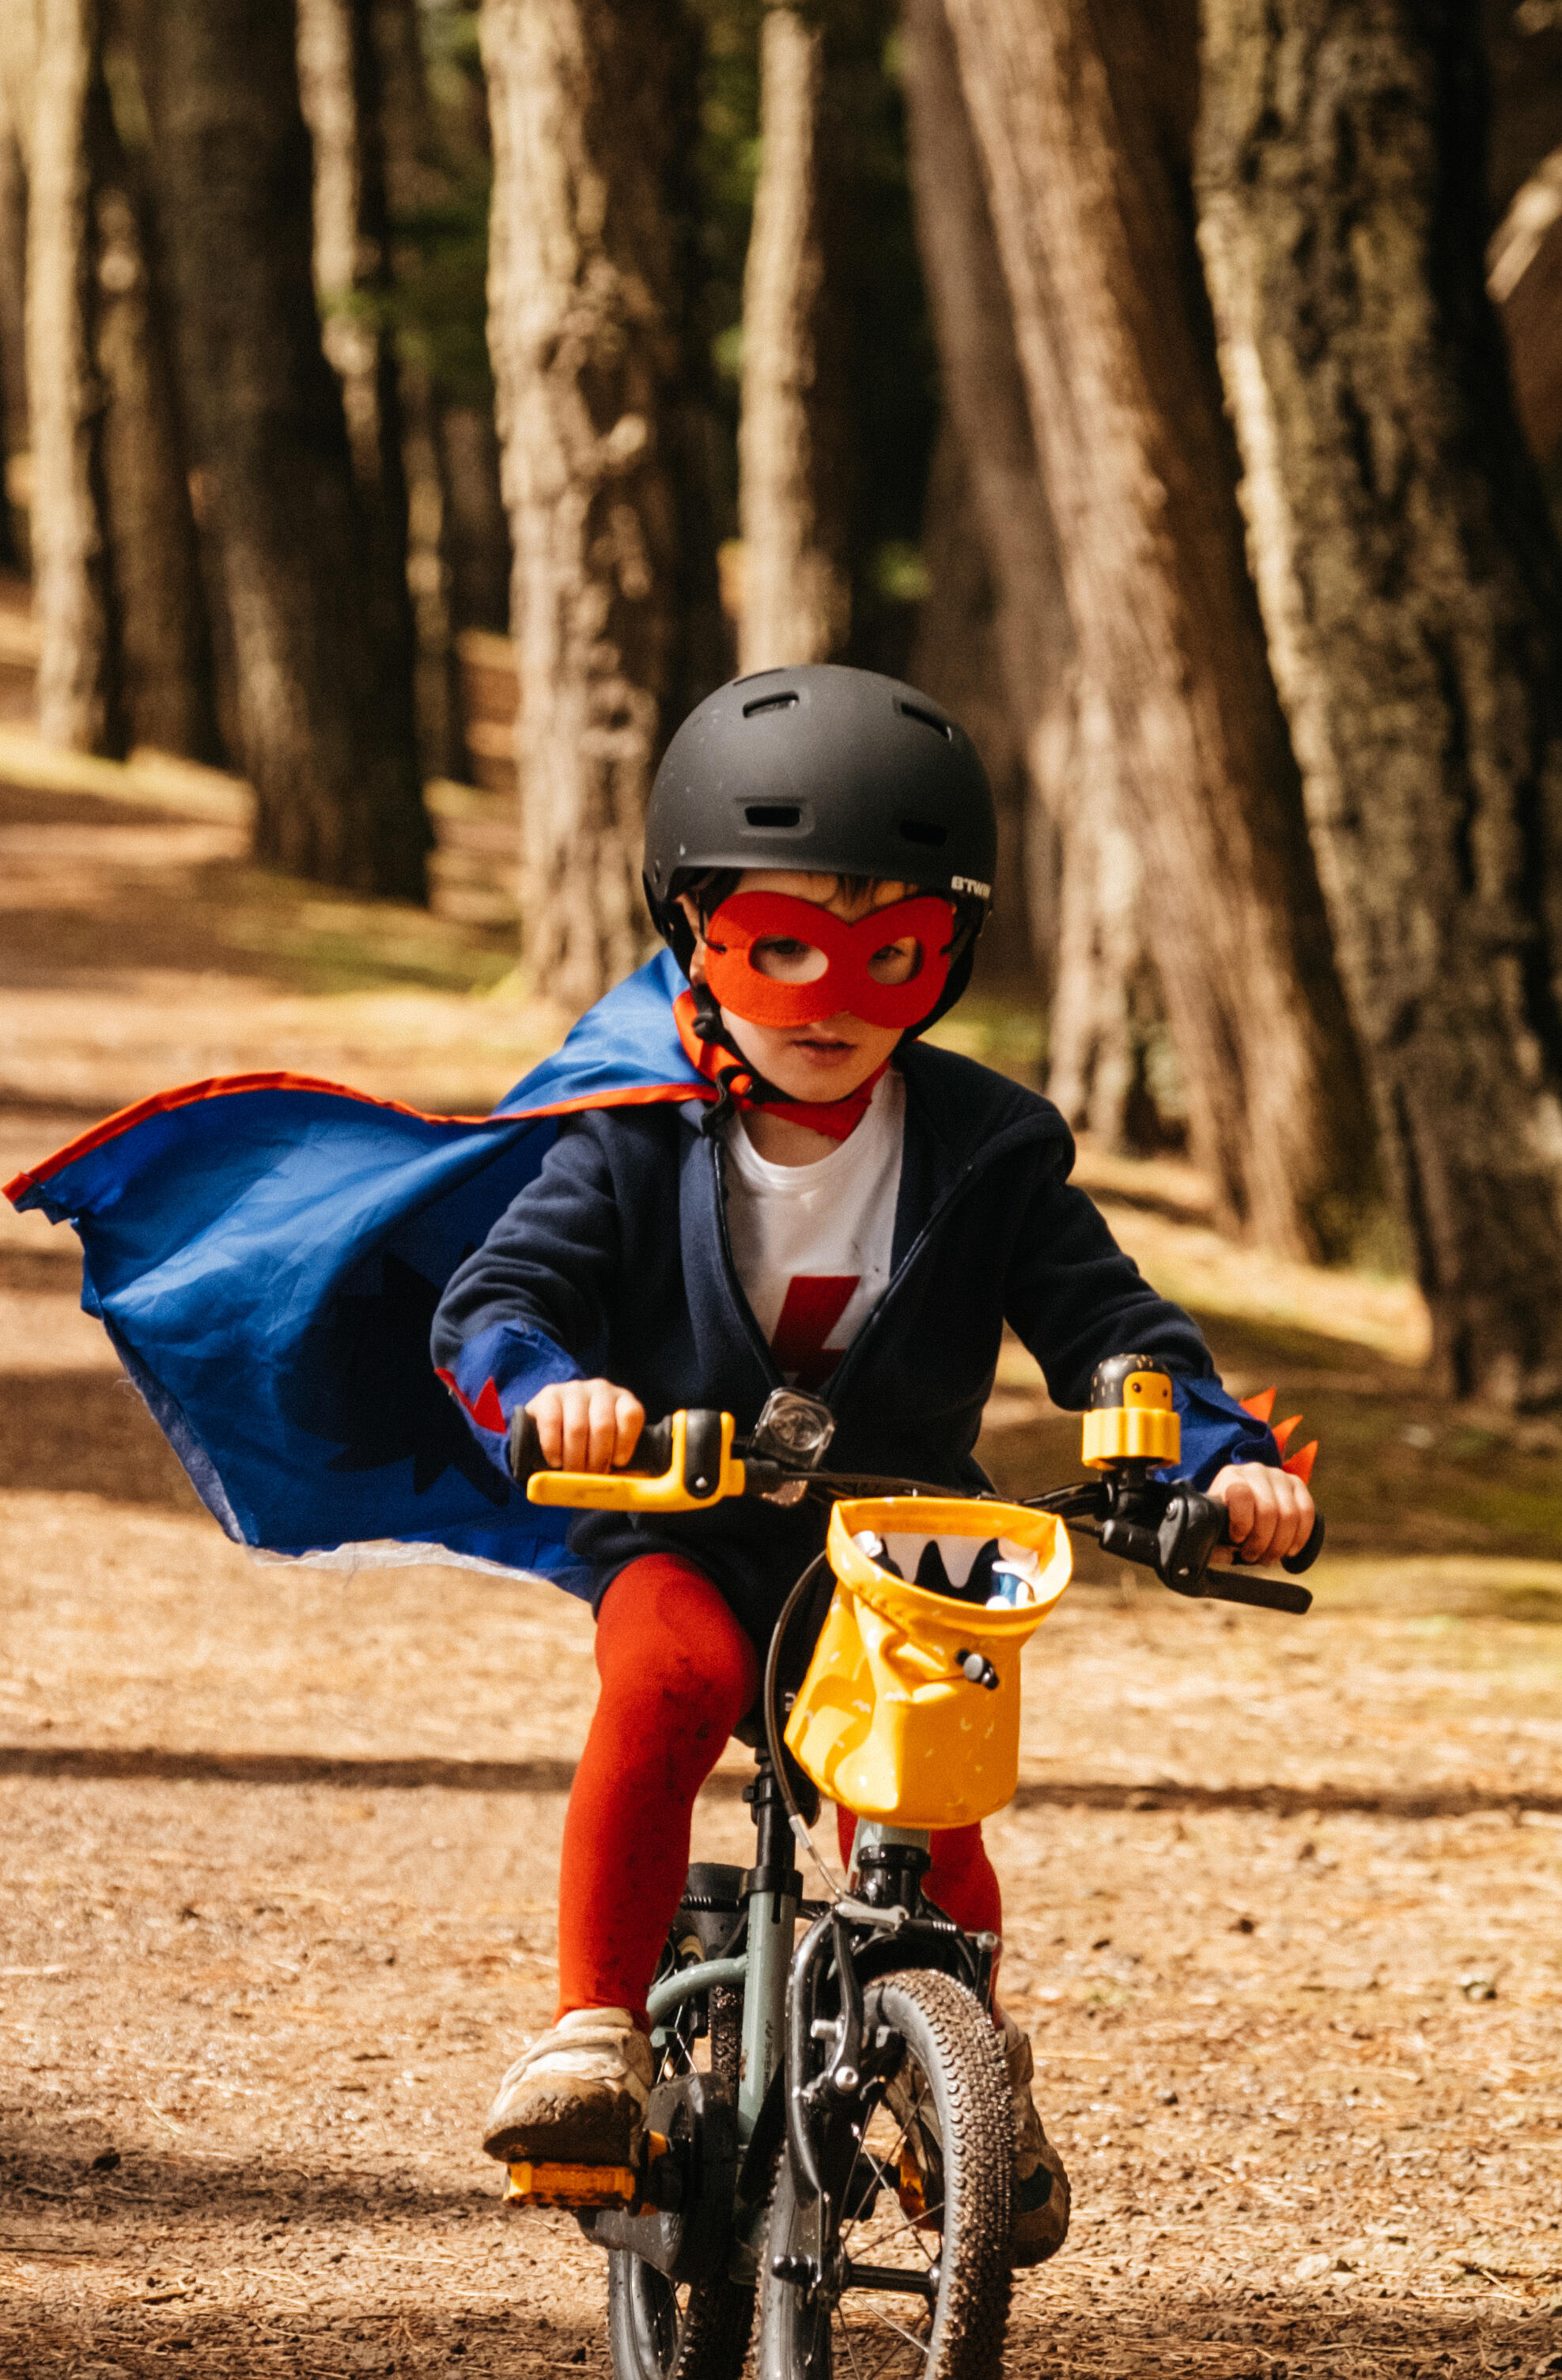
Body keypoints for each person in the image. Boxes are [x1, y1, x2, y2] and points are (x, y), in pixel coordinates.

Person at [434, 665, 1318, 2266]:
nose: (825, 1000)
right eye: (778, 947)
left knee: (923, 1766)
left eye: (886, 953)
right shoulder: (631, 1131)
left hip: (897, 1551)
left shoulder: (990, 1150)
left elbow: (1116, 1334)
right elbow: (499, 1303)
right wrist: (550, 1395)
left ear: (948, 956)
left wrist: (1218, 1465)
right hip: (679, 1527)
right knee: (669, 1676)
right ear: (695, 930)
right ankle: (591, 2034)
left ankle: (955, 2058)